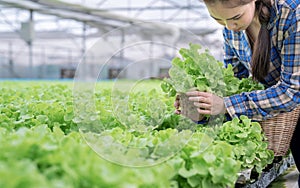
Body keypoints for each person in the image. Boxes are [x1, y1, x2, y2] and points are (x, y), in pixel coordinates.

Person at [174, 0, 300, 185]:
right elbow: (234, 82)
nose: (229, 27)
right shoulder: (230, 28)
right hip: (279, 110)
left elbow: (291, 91)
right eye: (218, 19)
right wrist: (201, 105)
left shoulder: (291, 13)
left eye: (236, 17)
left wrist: (225, 104)